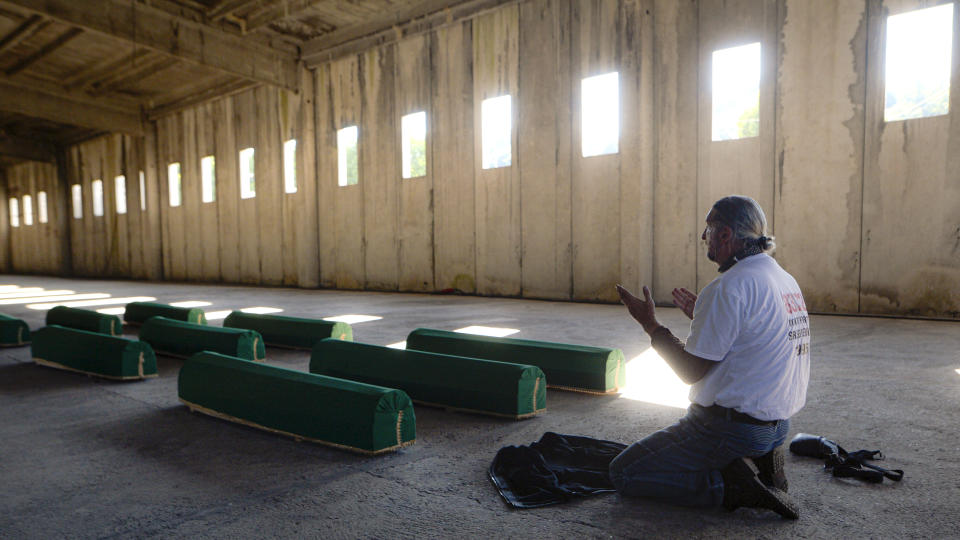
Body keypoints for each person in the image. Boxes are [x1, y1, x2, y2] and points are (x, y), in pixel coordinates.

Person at [609, 195, 811, 519]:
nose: (704, 237)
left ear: (726, 235)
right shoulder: (783, 279)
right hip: (778, 425)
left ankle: (728, 487)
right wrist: (705, 320)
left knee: (624, 473)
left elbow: (690, 371)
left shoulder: (729, 287)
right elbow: (754, 339)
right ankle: (762, 459)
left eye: (708, 229)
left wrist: (650, 323)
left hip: (730, 429)